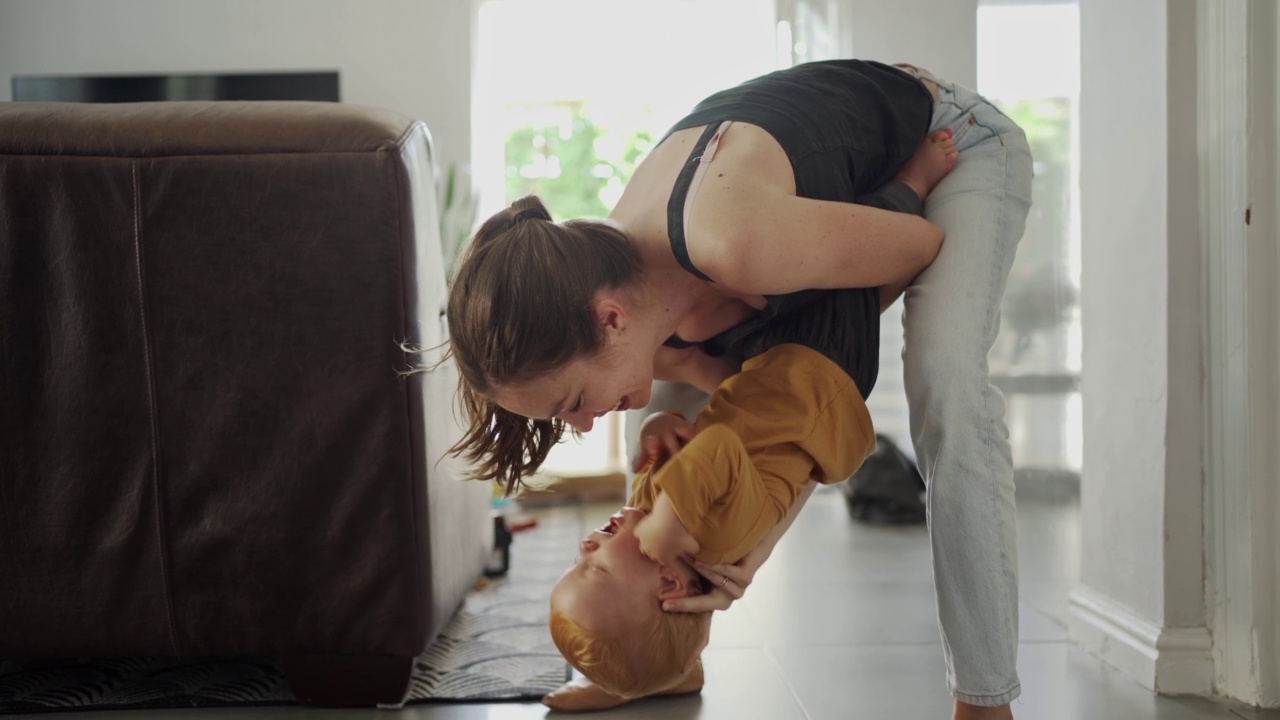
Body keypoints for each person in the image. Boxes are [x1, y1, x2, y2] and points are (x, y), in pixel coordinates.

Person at [445, 59, 1033, 720]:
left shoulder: (738, 246)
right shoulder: (621, 299)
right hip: (807, 233)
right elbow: (757, 417)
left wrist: (758, 544)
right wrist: (722, 520)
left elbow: (909, 256)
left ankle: (983, 701)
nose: (582, 426)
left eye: (570, 403)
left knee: (946, 384)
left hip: (943, 144)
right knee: (666, 420)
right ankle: (656, 649)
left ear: (608, 318)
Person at [549, 341, 875, 705]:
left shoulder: (648, 517)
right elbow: (718, 443)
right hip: (821, 366)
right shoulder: (713, 535)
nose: (584, 548)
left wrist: (660, 426)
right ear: (670, 582)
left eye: (576, 562)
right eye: (595, 569)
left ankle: (660, 675)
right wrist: (671, 516)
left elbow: (688, 441)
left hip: (771, 371)